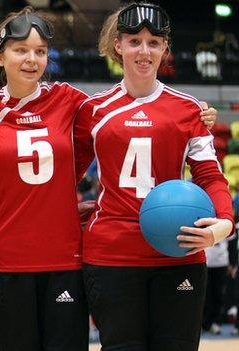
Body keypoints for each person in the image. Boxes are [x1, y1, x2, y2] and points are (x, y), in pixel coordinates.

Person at [0, 6, 218, 350]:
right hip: (5, 257)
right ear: (0, 57)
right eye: (21, 50)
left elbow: (126, 115)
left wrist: (200, 115)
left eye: (40, 52)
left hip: (66, 258)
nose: (31, 59)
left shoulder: (70, 101)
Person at [73, 2, 234, 349]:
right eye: (134, 41)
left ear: (165, 48)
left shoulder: (189, 109)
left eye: (153, 42)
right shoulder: (92, 110)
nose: (143, 51)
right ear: (118, 45)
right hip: (111, 254)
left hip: (179, 249)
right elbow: (65, 174)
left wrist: (224, 222)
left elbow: (210, 176)